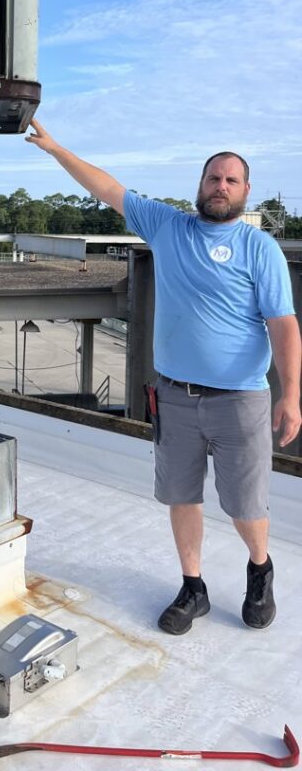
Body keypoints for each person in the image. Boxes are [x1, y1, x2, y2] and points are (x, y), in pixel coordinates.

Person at [25, 118, 301, 634]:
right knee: (181, 495)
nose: (220, 186)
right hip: (175, 397)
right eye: (213, 178)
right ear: (199, 184)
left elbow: (283, 326)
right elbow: (105, 186)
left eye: (230, 180)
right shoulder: (167, 226)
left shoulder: (258, 248)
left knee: (245, 504)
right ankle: (193, 587)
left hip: (240, 398)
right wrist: (57, 148)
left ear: (244, 192)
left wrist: (292, 396)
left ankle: (259, 569)